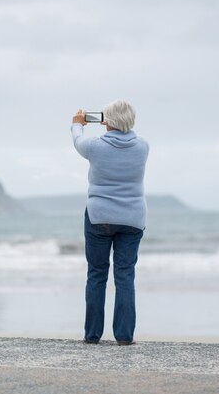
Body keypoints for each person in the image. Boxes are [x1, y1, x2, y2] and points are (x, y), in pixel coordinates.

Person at [70, 99, 149, 346]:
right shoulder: (143, 147)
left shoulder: (95, 147)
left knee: (97, 274)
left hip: (99, 217)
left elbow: (77, 141)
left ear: (107, 121)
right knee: (125, 276)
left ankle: (92, 335)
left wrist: (77, 124)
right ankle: (124, 337)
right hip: (132, 218)